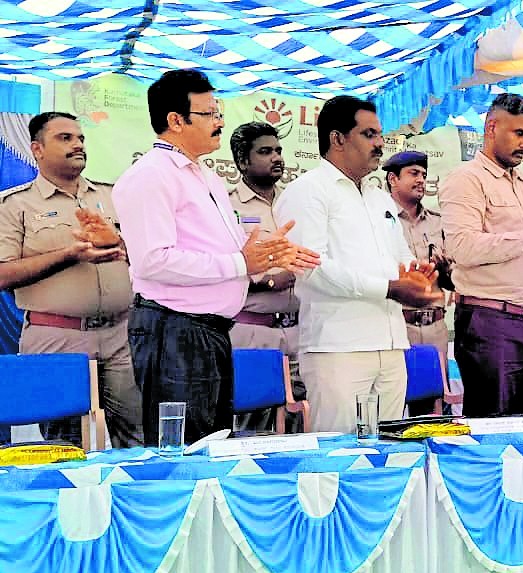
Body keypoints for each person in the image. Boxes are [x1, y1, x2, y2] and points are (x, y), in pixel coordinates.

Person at [113, 69, 319, 445]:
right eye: (209, 114)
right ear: (176, 120)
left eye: (218, 112)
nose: (220, 122)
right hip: (174, 330)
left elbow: (222, 246)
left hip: (209, 331)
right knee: (185, 449)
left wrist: (270, 253)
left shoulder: (205, 176)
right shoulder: (150, 176)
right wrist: (242, 264)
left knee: (214, 442)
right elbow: (152, 260)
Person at [275, 95, 440, 433]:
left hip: (391, 343)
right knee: (339, 452)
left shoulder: (380, 199)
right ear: (337, 139)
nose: (380, 143)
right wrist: (390, 289)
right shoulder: (307, 191)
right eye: (369, 134)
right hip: (338, 347)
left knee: (390, 449)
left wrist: (417, 276)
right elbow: (312, 267)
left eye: (380, 134)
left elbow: (400, 257)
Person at [0, 111, 141, 447]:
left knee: (138, 437)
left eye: (80, 138)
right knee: (63, 445)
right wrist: (69, 255)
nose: (77, 144)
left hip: (121, 335)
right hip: (57, 337)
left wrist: (120, 244)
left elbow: (146, 255)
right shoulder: (14, 204)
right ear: (37, 149)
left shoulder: (114, 196)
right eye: (65, 138)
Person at [439, 93, 523, 417]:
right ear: (491, 128)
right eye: (519, 133)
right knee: (493, 427)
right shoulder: (466, 180)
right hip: (491, 323)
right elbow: (462, 248)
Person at [227, 122, 305, 432]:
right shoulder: (226, 206)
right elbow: (219, 266)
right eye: (265, 151)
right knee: (253, 424)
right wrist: (268, 281)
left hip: (299, 329)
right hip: (252, 330)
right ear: (242, 161)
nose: (276, 158)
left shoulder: (296, 202)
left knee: (302, 418)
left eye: (278, 151)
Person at [384, 150, 452, 415]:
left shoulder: (438, 221)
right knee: (392, 404)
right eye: (413, 173)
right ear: (393, 179)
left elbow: (452, 281)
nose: (421, 180)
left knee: (434, 405)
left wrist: (445, 271)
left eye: (423, 174)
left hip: (435, 326)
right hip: (398, 325)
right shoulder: (380, 219)